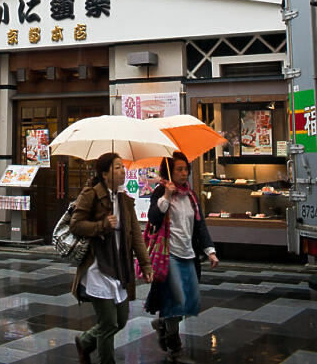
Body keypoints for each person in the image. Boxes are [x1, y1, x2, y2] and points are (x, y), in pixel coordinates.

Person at [70, 152, 152, 364]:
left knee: (121, 319)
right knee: (108, 323)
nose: (122, 171)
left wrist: (145, 264)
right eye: (117, 167)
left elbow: (135, 235)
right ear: (104, 174)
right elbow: (76, 224)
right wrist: (102, 225)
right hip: (99, 267)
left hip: (120, 266)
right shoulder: (91, 195)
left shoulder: (124, 200)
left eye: (122, 167)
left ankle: (86, 341)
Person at [145, 151, 218, 363]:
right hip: (169, 255)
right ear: (169, 170)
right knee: (176, 301)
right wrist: (166, 196)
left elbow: (199, 225)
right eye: (179, 169)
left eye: (186, 169)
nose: (184, 173)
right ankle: (175, 350)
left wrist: (210, 251)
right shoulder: (160, 192)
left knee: (186, 302)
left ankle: (162, 324)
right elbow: (154, 218)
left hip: (189, 254)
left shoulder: (191, 196)